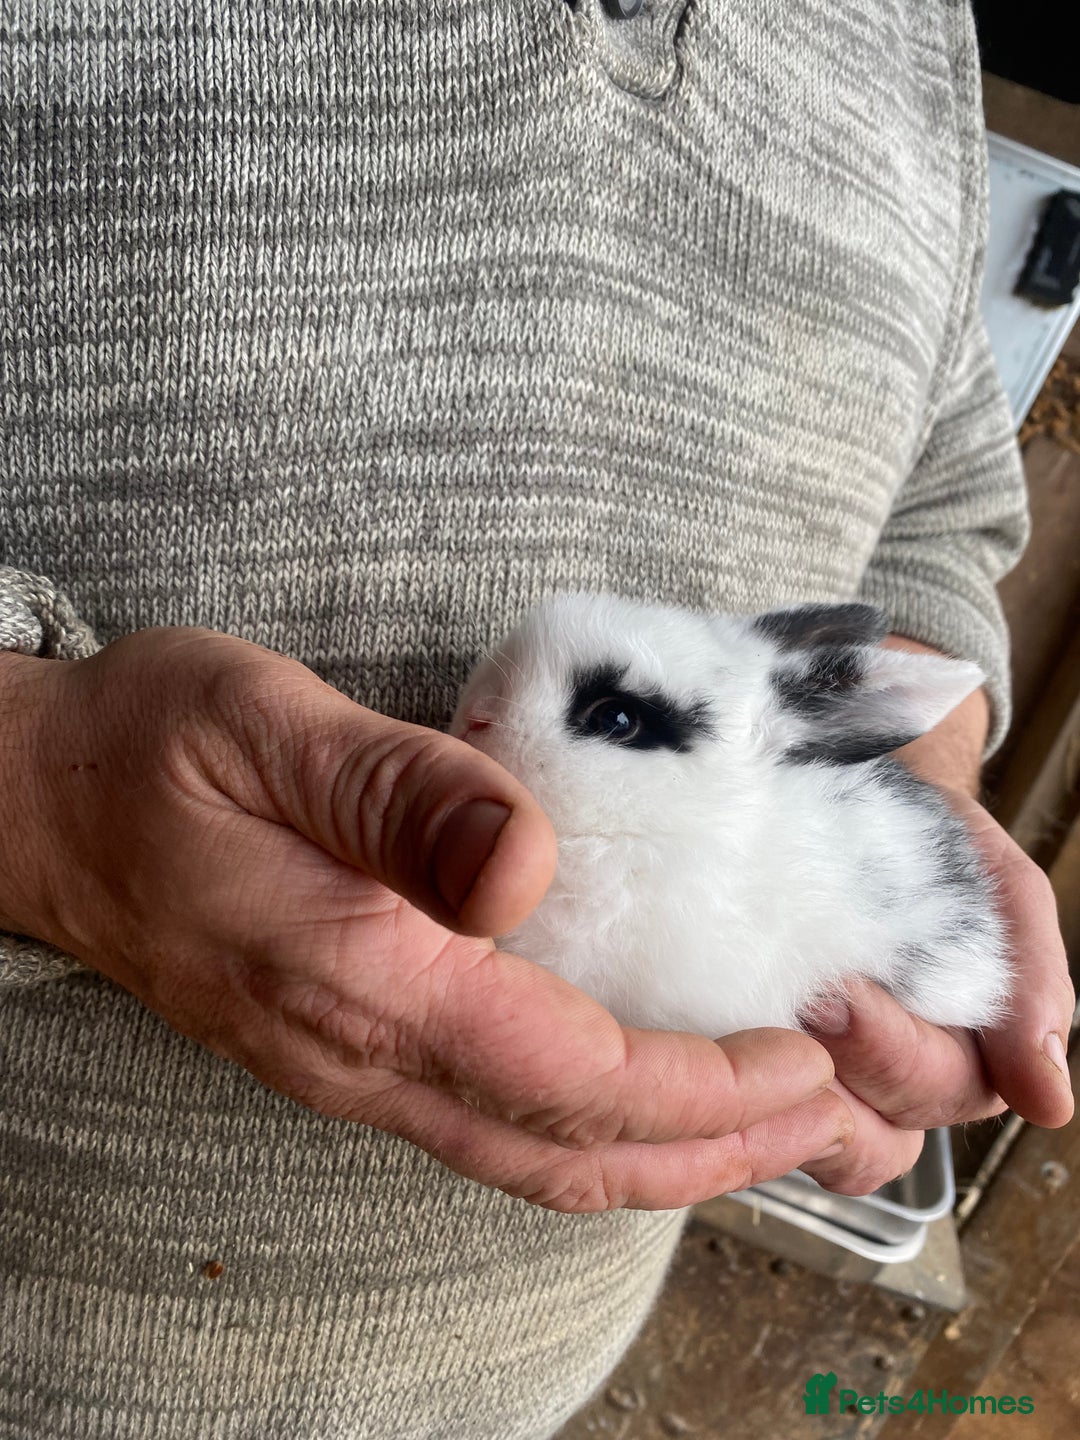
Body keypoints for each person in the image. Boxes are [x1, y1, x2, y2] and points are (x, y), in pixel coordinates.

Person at [0, 2, 1073, 1437]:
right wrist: (41, 803)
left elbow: (942, 504)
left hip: (528, 1371)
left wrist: (923, 775)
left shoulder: (904, 24)